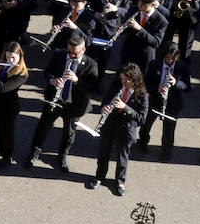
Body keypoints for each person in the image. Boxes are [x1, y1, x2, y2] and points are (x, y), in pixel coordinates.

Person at [26, 33, 100, 172]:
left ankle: (62, 157)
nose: (71, 56)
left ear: (83, 50)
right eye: (69, 52)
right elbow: (47, 72)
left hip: (74, 104)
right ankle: (34, 153)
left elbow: (93, 88)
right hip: (55, 99)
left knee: (69, 133)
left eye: (75, 53)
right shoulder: (59, 56)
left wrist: (77, 80)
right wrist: (52, 80)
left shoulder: (91, 64)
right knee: (43, 126)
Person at [87, 63, 148, 196]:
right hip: (110, 125)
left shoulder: (142, 94)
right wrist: (104, 107)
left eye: (127, 80)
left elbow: (142, 118)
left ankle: (120, 181)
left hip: (126, 129)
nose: (124, 82)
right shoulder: (116, 85)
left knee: (122, 157)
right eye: (122, 79)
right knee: (104, 153)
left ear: (135, 80)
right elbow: (105, 99)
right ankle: (99, 177)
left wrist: (125, 107)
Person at [138, 44, 189, 160]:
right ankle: (142, 143)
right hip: (155, 100)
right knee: (146, 124)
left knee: (169, 130)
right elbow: (146, 82)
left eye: (173, 58)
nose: (170, 60)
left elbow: (187, 86)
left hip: (172, 103)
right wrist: (157, 88)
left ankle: (166, 153)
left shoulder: (182, 67)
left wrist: (176, 83)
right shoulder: (154, 64)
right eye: (167, 57)